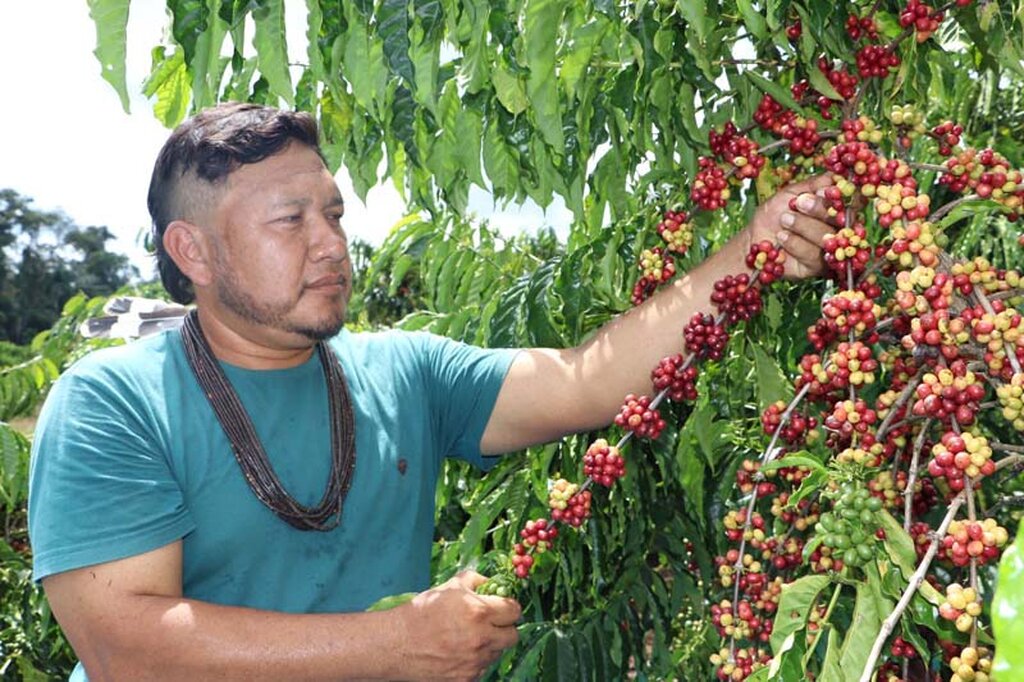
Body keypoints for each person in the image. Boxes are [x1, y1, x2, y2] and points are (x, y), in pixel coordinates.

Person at [28, 102, 835, 681]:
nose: (332, 244)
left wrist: (750, 250)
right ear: (192, 252)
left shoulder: (402, 371)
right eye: (290, 220)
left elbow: (584, 381)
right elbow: (127, 650)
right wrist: (396, 648)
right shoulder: (114, 402)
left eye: (336, 214)